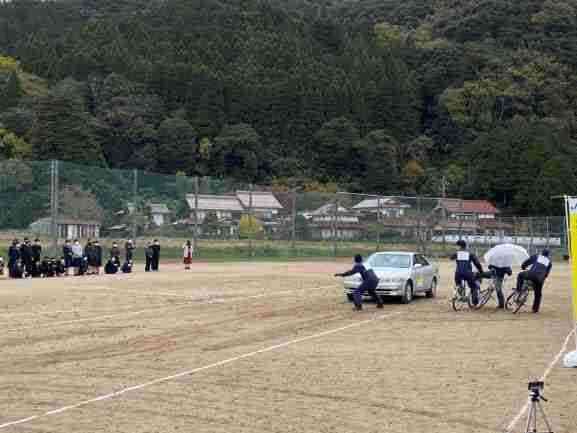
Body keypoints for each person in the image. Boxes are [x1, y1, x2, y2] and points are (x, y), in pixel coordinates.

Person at [516, 249, 552, 313]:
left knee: (520, 275)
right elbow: (546, 274)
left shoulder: (537, 256)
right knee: (538, 294)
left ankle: (518, 290)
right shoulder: (549, 262)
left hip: (531, 275)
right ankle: (535, 309)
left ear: (541, 252)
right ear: (548, 255)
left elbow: (527, 262)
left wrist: (523, 267)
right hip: (539, 279)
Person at [450, 240, 484, 306]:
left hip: (458, 273)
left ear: (459, 246)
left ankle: (460, 295)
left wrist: (457, 255)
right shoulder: (470, 253)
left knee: (458, 284)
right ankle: (475, 302)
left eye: (457, 246)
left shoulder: (457, 253)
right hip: (468, 273)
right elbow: (477, 263)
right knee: (473, 286)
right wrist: (481, 271)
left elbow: (451, 258)